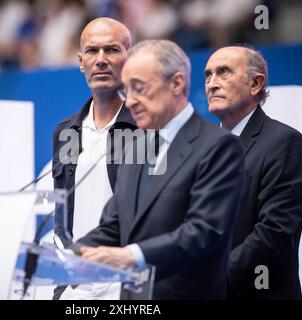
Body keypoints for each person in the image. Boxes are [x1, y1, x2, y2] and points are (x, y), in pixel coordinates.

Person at [78, 40, 244, 299]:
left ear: (176, 83)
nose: (130, 101)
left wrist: (130, 256)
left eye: (139, 89)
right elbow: (115, 224)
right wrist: (71, 257)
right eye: (125, 91)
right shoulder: (135, 146)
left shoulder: (218, 146)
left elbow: (202, 232)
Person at [204, 46, 302, 299]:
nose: (212, 83)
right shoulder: (200, 146)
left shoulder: (284, 142)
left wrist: (209, 281)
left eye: (223, 72)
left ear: (255, 83)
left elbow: (273, 236)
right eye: (208, 75)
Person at [52, 18, 136, 299]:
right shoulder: (66, 132)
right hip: (76, 285)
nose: (101, 60)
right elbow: (61, 208)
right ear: (80, 61)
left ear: (130, 58)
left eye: (112, 50)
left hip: (124, 284)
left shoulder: (146, 128)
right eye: (92, 51)